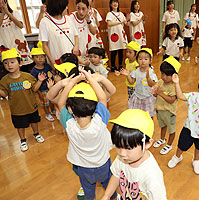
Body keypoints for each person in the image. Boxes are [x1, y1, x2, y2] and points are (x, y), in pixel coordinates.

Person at [58, 67, 117, 200]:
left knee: (88, 190)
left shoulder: (69, 125)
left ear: (70, 109)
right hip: (103, 164)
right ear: (94, 106)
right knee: (109, 183)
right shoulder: (99, 122)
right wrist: (90, 78)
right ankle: (113, 197)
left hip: (84, 168)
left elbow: (60, 103)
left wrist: (72, 83)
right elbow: (102, 98)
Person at [101, 109, 167, 200]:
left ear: (147, 144)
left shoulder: (152, 176)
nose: (122, 153)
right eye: (118, 146)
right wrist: (107, 195)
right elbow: (116, 175)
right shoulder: (123, 158)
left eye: (129, 148)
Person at [0, 48, 45, 151]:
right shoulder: (4, 80)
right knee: (20, 126)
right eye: (6, 63)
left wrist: (39, 81)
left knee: (34, 121)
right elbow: (5, 94)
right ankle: (23, 140)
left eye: (12, 62)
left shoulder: (27, 76)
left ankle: (36, 134)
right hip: (17, 109)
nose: (9, 65)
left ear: (20, 63)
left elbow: (34, 89)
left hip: (31, 106)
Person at [39, 0, 79, 69]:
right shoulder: (45, 22)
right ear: (58, 8)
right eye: (64, 7)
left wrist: (76, 47)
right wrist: (52, 63)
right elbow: (44, 45)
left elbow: (76, 36)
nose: (67, 8)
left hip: (72, 60)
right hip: (57, 61)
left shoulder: (68, 19)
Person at [152, 56, 180, 155]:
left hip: (169, 112)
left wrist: (160, 93)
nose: (164, 77)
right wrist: (155, 93)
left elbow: (171, 100)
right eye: (162, 73)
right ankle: (162, 139)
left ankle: (169, 144)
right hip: (160, 110)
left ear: (174, 76)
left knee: (171, 129)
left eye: (167, 75)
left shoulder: (174, 86)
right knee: (162, 125)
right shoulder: (160, 82)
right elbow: (156, 94)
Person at [120, 48, 158, 117]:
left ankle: (149, 127)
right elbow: (131, 82)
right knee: (137, 114)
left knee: (149, 115)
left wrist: (148, 78)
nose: (143, 61)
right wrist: (128, 75)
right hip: (137, 96)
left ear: (150, 60)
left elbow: (152, 84)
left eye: (146, 59)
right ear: (137, 60)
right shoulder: (136, 71)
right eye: (140, 59)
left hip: (147, 97)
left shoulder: (151, 71)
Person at [0, 0, 33, 70]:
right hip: (5, 45)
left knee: (23, 67)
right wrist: (3, 14)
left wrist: (8, 13)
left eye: (2, 1)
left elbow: (20, 25)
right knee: (9, 66)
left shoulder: (15, 13)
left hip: (18, 45)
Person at [30, 46, 55, 122]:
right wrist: (39, 93)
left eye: (42, 57)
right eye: (37, 57)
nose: (40, 59)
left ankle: (53, 110)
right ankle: (47, 113)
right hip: (42, 90)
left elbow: (52, 73)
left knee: (52, 101)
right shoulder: (33, 71)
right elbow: (34, 85)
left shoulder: (47, 66)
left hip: (51, 87)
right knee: (45, 103)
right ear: (33, 59)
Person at [106, 0, 128, 72]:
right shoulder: (109, 14)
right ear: (110, 4)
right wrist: (120, 22)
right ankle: (113, 66)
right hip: (114, 35)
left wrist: (127, 20)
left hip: (121, 34)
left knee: (121, 50)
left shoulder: (121, 14)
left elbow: (125, 23)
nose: (115, 4)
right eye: (113, 2)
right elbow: (109, 23)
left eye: (116, 2)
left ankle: (120, 65)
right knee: (114, 51)